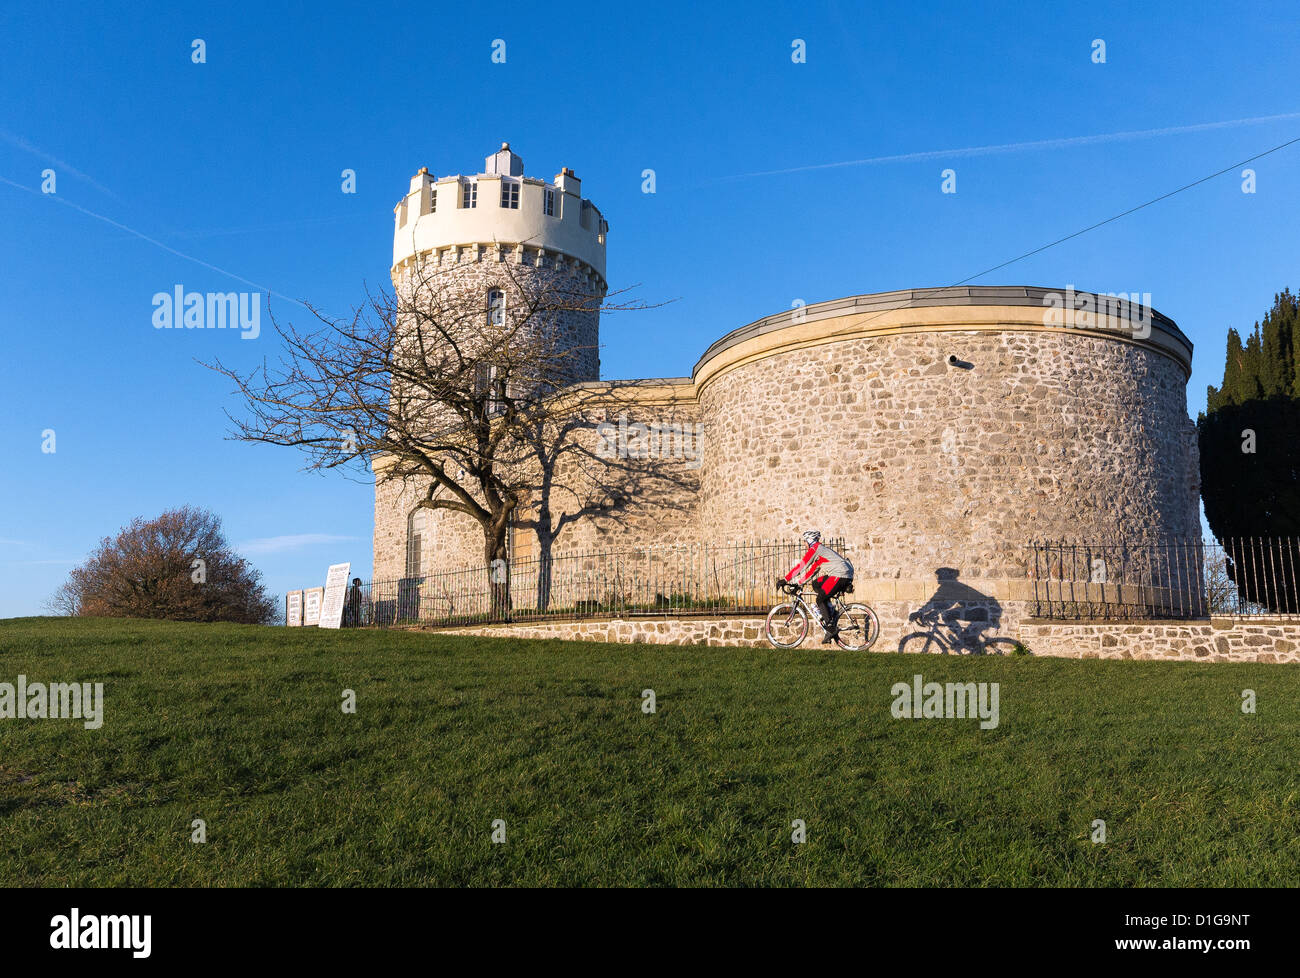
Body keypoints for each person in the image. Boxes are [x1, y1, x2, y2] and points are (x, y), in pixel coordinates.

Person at [778, 530, 854, 643]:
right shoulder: (820, 552)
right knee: (816, 583)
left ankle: (830, 628)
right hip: (843, 573)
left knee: (820, 598)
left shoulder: (815, 549)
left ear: (809, 541)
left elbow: (802, 566)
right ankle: (829, 611)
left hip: (840, 574)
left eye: (804, 541)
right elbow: (812, 571)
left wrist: (785, 579)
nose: (804, 544)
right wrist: (798, 583)